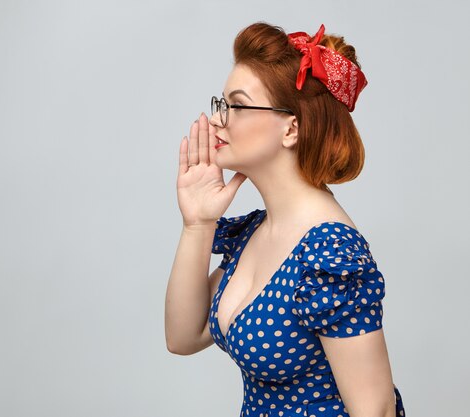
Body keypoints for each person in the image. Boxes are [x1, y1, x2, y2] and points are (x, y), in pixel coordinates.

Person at [164, 22, 406, 417]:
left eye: (237, 105)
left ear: (291, 128)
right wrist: (197, 224)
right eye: (220, 103)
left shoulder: (329, 251)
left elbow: (374, 410)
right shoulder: (257, 231)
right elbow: (182, 336)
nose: (218, 120)